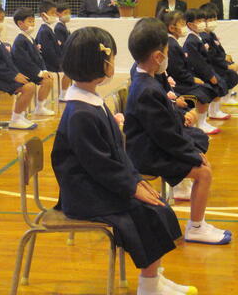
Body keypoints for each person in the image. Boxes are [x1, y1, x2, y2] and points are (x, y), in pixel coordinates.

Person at [51, 26, 194, 295]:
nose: (113, 63)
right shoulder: (80, 112)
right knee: (147, 212)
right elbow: (100, 165)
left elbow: (115, 152)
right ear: (100, 63)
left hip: (100, 183)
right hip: (85, 194)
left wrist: (136, 180)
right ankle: (148, 285)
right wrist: (132, 187)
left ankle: (154, 277)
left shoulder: (90, 100)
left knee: (157, 206)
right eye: (112, 58)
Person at [125, 18, 232, 246]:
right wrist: (191, 154)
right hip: (146, 153)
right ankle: (196, 227)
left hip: (153, 144)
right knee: (204, 172)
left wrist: (181, 119)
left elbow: (164, 119)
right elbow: (164, 135)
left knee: (197, 141)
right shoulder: (146, 88)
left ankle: (190, 203)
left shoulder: (148, 81)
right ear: (158, 57)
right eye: (166, 51)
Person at [0, 4, 39, 130]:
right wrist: (13, 76)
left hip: (2, 77)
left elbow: (8, 61)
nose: (2, 23)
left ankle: (20, 116)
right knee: (29, 88)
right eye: (0, 19)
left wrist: (17, 73)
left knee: (30, 84)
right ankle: (15, 119)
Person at [160, 10, 221, 135]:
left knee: (208, 88)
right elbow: (177, 71)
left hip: (182, 79)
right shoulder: (171, 44)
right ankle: (200, 124)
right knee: (204, 91)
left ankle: (202, 121)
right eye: (182, 24)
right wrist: (192, 79)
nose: (184, 27)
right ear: (171, 28)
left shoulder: (174, 42)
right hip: (179, 83)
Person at [183, 8, 230, 122]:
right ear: (190, 24)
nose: (202, 23)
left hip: (207, 70)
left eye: (203, 20)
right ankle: (202, 120)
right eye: (199, 21)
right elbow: (198, 62)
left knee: (220, 83)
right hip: (199, 74)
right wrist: (209, 75)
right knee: (209, 90)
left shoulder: (198, 37)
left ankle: (214, 111)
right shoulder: (191, 41)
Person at [11, 8, 56, 117]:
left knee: (49, 80)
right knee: (42, 81)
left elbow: (39, 57)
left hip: (33, 71)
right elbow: (24, 62)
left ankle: (40, 107)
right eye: (29, 21)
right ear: (20, 23)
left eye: (33, 21)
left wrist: (44, 70)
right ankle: (21, 114)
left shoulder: (30, 38)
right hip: (25, 72)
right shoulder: (19, 41)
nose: (32, 24)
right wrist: (39, 73)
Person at [200, 4, 238, 106]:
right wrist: (226, 65)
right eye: (210, 20)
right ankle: (225, 98)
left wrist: (225, 56)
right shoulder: (204, 37)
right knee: (231, 74)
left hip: (218, 62)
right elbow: (211, 57)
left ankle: (227, 95)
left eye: (215, 19)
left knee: (233, 67)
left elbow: (219, 49)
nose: (213, 22)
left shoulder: (211, 34)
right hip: (213, 65)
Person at [35, 0, 63, 74]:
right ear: (43, 15)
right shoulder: (44, 31)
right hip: (50, 68)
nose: (54, 15)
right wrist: (59, 64)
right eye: (52, 13)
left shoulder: (49, 29)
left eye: (55, 13)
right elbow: (48, 53)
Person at [55, 3, 73, 96]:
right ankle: (63, 94)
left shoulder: (64, 26)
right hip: (63, 56)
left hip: (67, 55)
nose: (68, 15)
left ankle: (67, 92)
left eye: (69, 13)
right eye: (65, 13)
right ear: (58, 14)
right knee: (68, 72)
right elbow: (61, 44)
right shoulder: (59, 27)